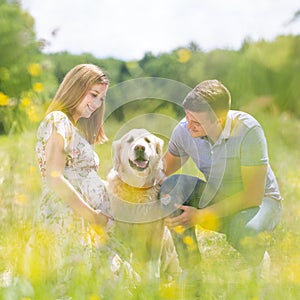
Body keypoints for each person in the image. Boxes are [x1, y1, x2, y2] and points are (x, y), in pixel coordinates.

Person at [158, 79, 282, 274]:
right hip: (218, 195)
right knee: (170, 188)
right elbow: (161, 172)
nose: (188, 127)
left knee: (247, 231)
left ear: (220, 120)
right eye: (187, 117)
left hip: (260, 202)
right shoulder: (184, 129)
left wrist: (200, 216)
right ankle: (191, 271)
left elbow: (253, 195)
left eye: (197, 123)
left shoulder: (248, 130)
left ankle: (257, 260)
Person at [35, 64, 137, 297]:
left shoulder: (74, 127)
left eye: (101, 98)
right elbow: (54, 176)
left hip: (88, 220)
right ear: (75, 87)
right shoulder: (57, 120)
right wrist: (92, 215)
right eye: (93, 95)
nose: (97, 103)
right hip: (71, 218)